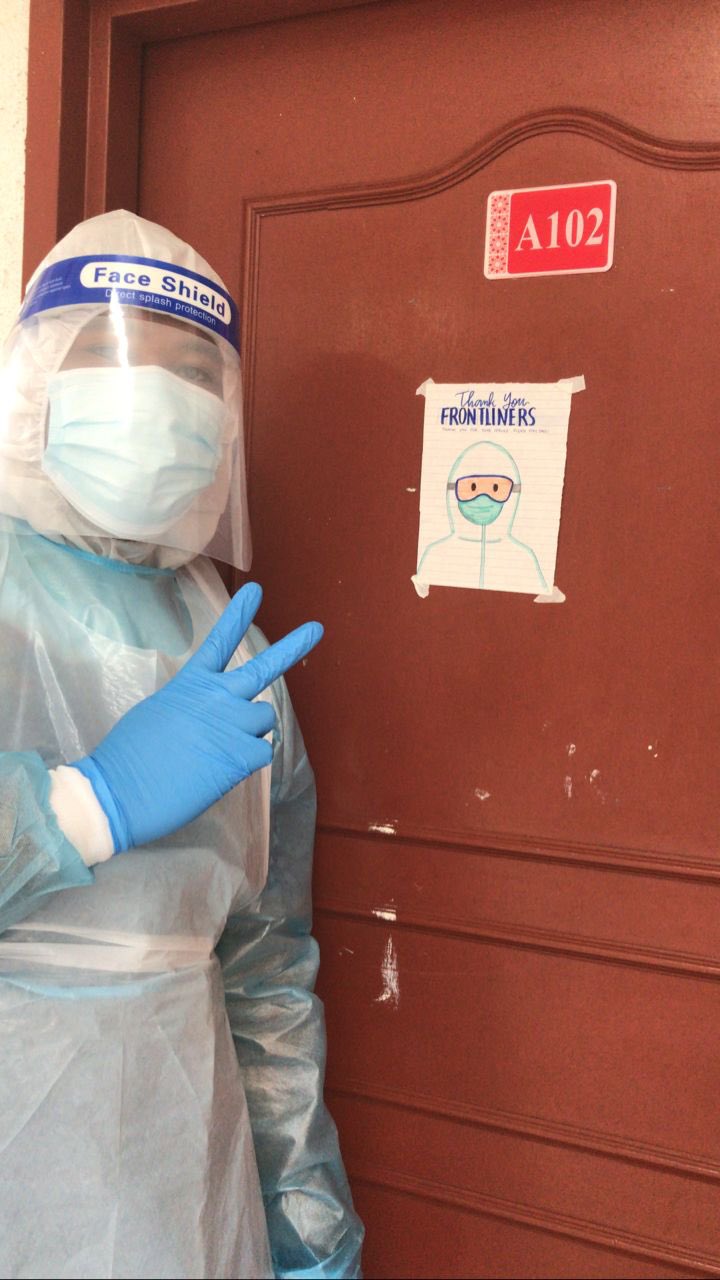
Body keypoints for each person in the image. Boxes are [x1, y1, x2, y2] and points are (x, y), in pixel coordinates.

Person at [0, 209, 364, 1279]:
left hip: (180, 1170)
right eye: (124, 358)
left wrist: (308, 1228)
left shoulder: (234, 650)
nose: (162, 399)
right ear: (38, 383)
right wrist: (86, 803)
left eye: (195, 371)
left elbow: (265, 975)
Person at [417, 438, 547, 592]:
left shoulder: (524, 558)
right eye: (472, 487)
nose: (483, 497)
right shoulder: (435, 554)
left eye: (495, 488)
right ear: (453, 490)